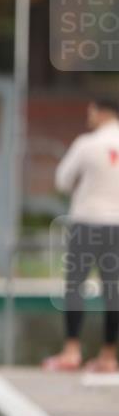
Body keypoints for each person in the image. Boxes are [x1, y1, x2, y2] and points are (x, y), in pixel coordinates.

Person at [43, 98, 119, 373]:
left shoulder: (87, 144)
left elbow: (62, 180)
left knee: (75, 285)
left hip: (88, 222)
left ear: (100, 112)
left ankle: (72, 351)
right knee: (115, 290)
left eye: (90, 111)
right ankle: (109, 356)